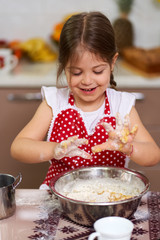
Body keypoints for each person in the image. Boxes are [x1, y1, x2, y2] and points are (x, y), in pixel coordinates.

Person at [11, 12, 160, 189]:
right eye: (76, 72)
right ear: (63, 67)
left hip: (111, 197)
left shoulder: (122, 106)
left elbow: (154, 155)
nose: (87, 81)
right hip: (60, 198)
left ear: (112, 63)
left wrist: (129, 148)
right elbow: (18, 148)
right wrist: (55, 149)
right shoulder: (55, 102)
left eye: (97, 71)